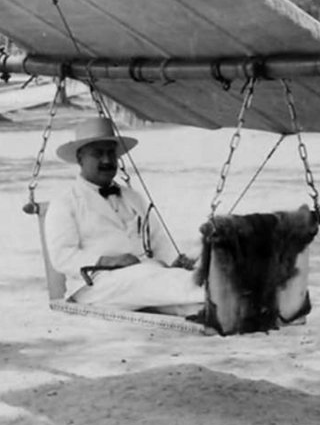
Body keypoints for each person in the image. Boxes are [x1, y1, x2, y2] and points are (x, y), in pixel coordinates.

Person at [44, 116, 203, 313]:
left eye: (111, 153)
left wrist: (173, 263)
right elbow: (63, 257)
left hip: (143, 277)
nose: (106, 160)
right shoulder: (65, 202)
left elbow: (158, 241)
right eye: (98, 154)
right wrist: (107, 260)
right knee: (154, 279)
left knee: (191, 305)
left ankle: (214, 300)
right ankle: (216, 291)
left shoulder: (133, 197)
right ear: (80, 159)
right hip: (95, 285)